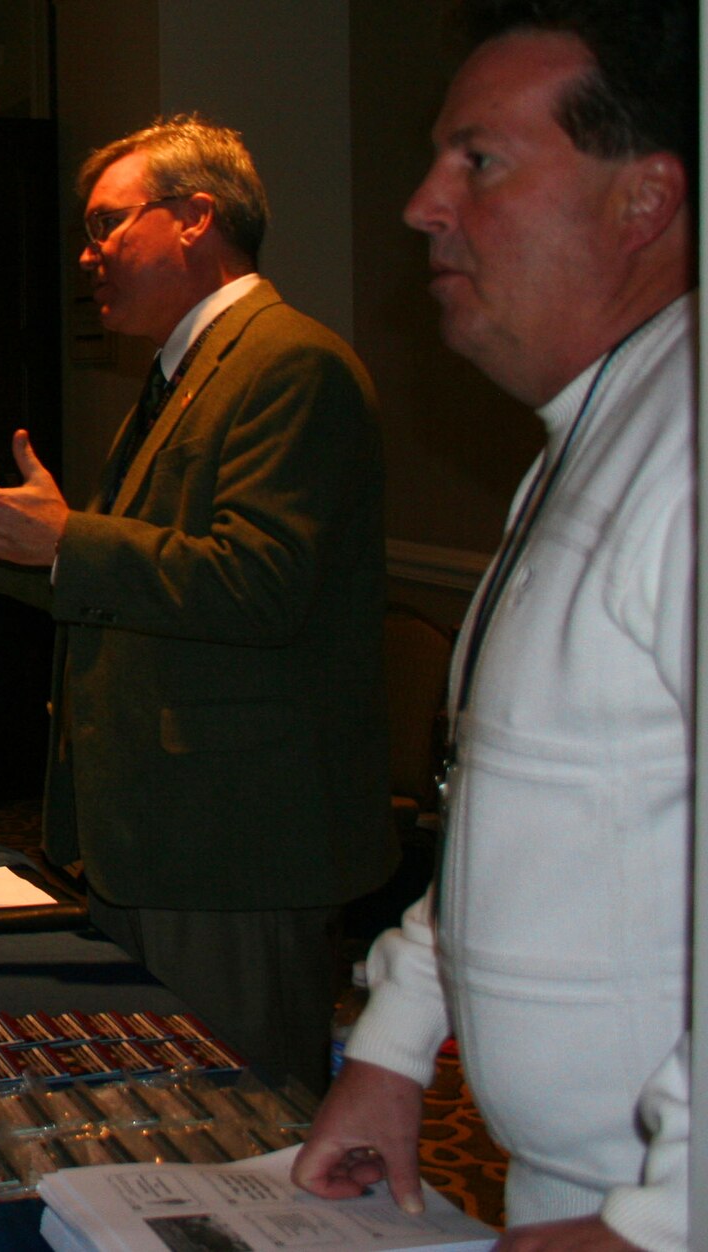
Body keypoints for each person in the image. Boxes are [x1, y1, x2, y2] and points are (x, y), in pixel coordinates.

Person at [0, 115, 393, 1091]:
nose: (86, 254)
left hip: (230, 847)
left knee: (242, 1151)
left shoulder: (286, 364)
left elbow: (259, 584)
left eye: (107, 225)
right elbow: (124, 574)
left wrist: (62, 538)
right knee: (174, 1130)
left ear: (194, 218)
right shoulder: (185, 374)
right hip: (161, 834)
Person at [294, 4, 696, 1248]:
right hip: (565, 1192)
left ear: (642, 201)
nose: (420, 202)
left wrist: (662, 1217)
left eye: (478, 160)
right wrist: (398, 1040)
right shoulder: (594, 434)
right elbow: (519, 812)